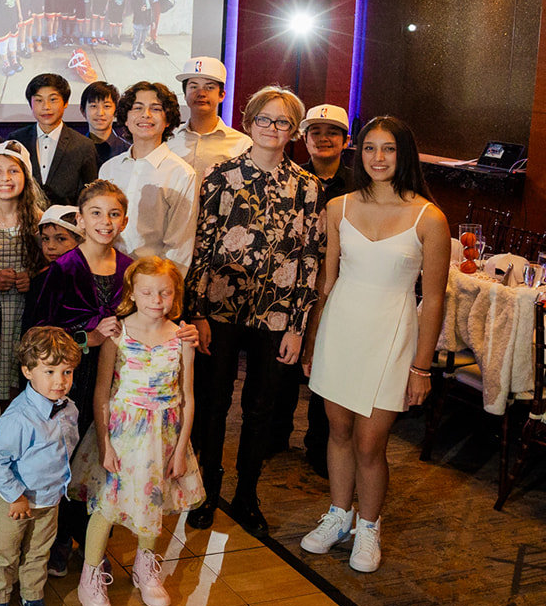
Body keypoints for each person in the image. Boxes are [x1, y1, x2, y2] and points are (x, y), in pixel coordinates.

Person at [302, 116, 446, 574]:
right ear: (357, 153)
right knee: (338, 431)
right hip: (340, 329)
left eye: (388, 149)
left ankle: (369, 525)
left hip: (392, 334)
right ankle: (338, 515)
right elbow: (326, 283)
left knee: (370, 443)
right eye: (369, 148)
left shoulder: (430, 217)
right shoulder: (339, 207)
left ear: (404, 155)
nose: (378, 158)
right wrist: (311, 340)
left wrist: (422, 367)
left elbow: (436, 298)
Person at [184, 86, 325, 534]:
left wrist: (298, 326)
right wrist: (197, 311)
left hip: (277, 313)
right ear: (248, 122)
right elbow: (202, 244)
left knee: (260, 407)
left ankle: (247, 494)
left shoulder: (307, 187)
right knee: (213, 403)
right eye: (264, 119)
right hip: (220, 308)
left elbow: (309, 260)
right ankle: (206, 488)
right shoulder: (220, 175)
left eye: (282, 122)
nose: (272, 129)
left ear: (293, 132)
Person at [69, 257, 205, 606]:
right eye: (146, 291)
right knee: (107, 507)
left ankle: (147, 567)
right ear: (132, 293)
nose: (156, 299)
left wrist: (180, 449)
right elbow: (101, 393)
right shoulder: (118, 334)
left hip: (165, 435)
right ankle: (90, 578)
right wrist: (105, 445)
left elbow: (188, 397)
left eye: (164, 292)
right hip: (123, 434)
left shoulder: (181, 338)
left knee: (154, 503)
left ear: (175, 295)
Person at [23, 180, 137, 575]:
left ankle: (91, 539)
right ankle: (58, 539)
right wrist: (85, 338)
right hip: (70, 381)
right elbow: (36, 332)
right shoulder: (62, 271)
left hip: (117, 382)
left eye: (114, 214)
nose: (105, 222)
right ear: (81, 221)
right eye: (96, 213)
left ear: (124, 221)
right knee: (66, 458)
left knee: (100, 462)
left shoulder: (129, 269)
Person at [0, 326, 81, 606]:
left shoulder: (70, 410)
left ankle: (32, 594)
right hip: (17, 501)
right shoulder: (18, 418)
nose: (59, 381)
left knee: (39, 550)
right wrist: (15, 496)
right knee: (5, 551)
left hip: (50, 499)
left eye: (66, 372)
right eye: (49, 371)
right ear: (27, 371)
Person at [292, 103, 358, 471]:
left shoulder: (360, 186)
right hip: (292, 283)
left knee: (326, 366)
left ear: (345, 140)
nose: (323, 138)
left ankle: (319, 445)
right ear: (304, 138)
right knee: (284, 363)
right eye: (315, 131)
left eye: (332, 132)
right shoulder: (290, 179)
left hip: (338, 285)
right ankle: (274, 434)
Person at [0, 142, 46, 407]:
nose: (5, 179)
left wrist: (32, 277)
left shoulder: (37, 219)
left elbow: (51, 262)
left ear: (26, 177)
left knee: (16, 372)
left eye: (13, 171)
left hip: (21, 311)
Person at [99, 81, 198, 273]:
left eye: (156, 109)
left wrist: (158, 286)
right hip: (105, 274)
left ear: (168, 119)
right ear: (125, 119)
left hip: (152, 282)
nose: (146, 115)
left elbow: (179, 246)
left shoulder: (181, 174)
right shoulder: (109, 169)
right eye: (137, 108)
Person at [10, 73, 98, 208]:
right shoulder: (16, 141)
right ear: (30, 104)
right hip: (24, 222)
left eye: (53, 100)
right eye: (39, 100)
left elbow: (91, 195)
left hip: (68, 225)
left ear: (66, 102)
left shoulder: (83, 145)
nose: (46, 107)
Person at [168, 58, 252, 178]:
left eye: (209, 87)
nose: (201, 93)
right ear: (185, 94)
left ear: (221, 95)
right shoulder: (168, 139)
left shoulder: (242, 145)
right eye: (193, 87)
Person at [81, 81, 129, 165]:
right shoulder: (74, 149)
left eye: (106, 106)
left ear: (116, 111)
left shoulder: (127, 151)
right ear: (83, 111)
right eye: (93, 106)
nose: (100, 113)